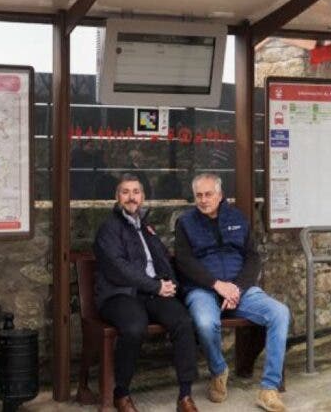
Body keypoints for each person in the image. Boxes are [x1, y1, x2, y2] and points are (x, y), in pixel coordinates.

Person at [175, 173, 291, 412]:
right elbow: (185, 262)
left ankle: (269, 388)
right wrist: (217, 285)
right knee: (206, 324)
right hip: (203, 290)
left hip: (240, 289)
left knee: (280, 313)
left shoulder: (237, 218)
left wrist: (237, 287)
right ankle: (218, 370)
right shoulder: (185, 223)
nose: (204, 200)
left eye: (209, 194)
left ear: (219, 195)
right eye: (199, 195)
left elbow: (252, 258)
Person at [94, 174, 199, 412]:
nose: (131, 197)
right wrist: (156, 286)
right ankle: (121, 394)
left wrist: (170, 282)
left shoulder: (146, 227)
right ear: (117, 197)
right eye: (125, 192)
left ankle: (185, 396)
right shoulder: (109, 228)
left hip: (151, 292)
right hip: (118, 294)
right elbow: (119, 269)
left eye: (136, 192)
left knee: (183, 321)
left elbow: (162, 258)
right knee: (134, 327)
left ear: (142, 197)